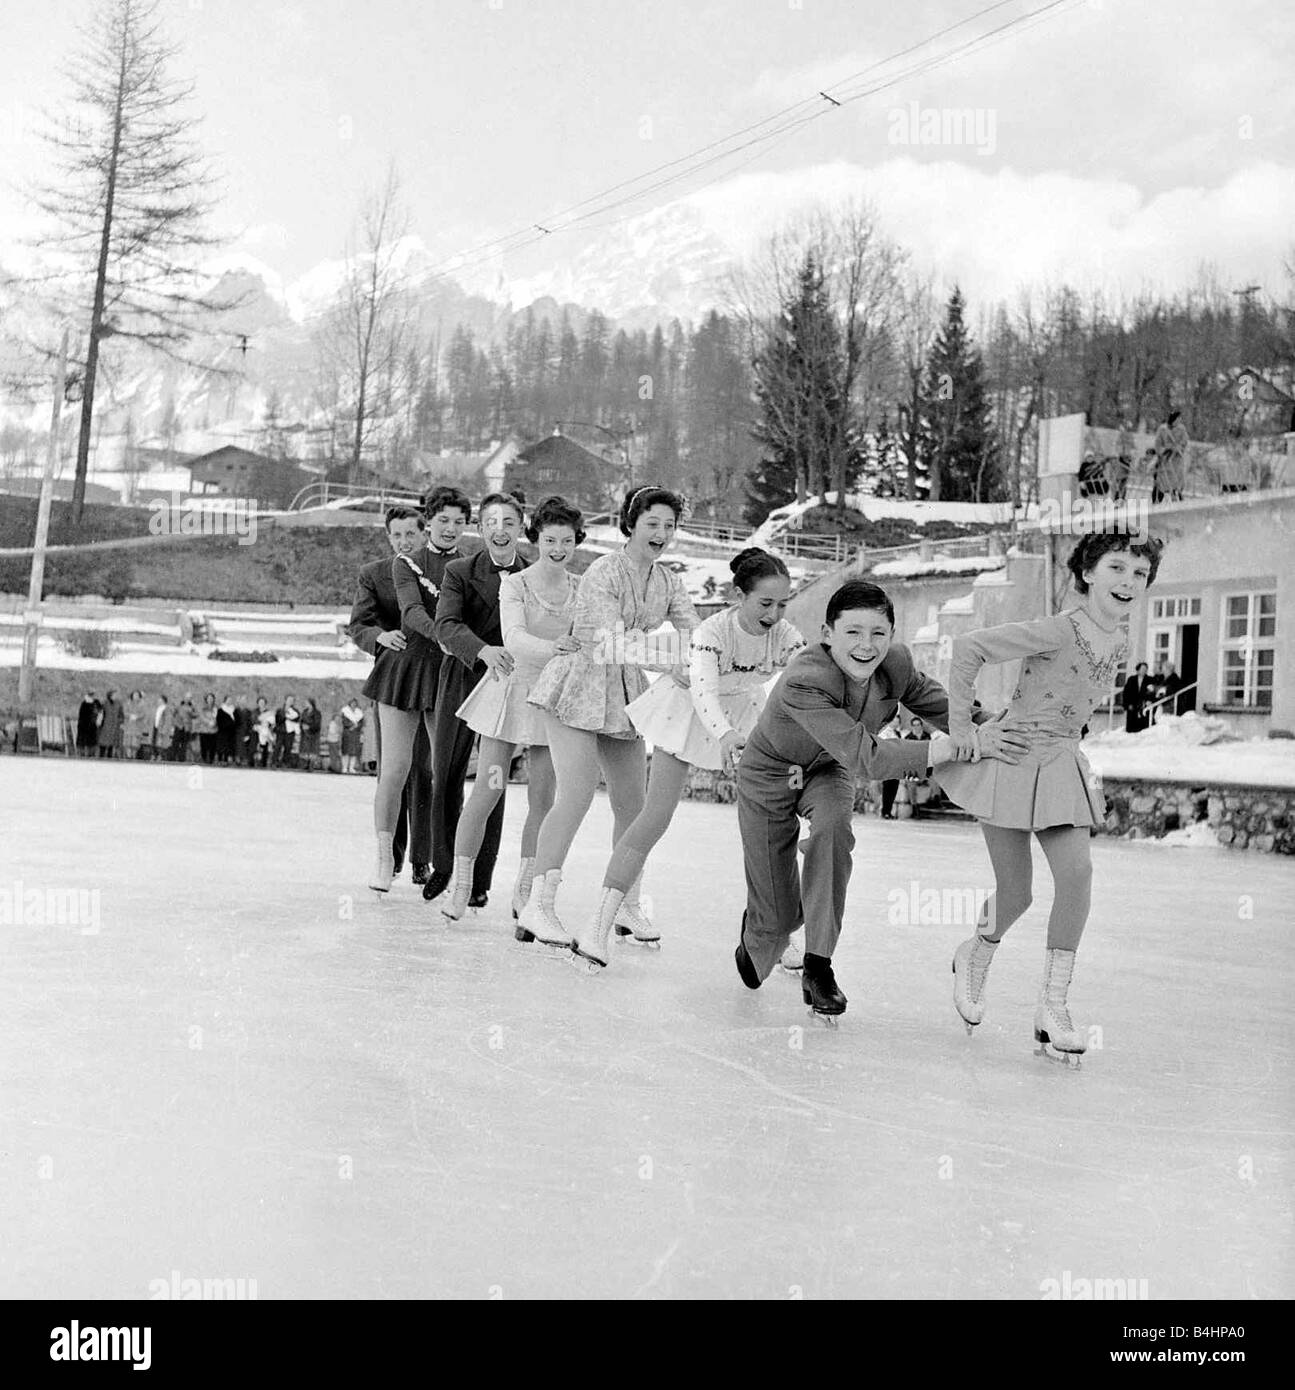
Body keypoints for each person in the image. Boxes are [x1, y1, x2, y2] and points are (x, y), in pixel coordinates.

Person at [734, 579, 1028, 1021]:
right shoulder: (804, 680)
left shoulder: (897, 665)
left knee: (835, 831)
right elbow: (867, 757)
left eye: (878, 633)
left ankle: (818, 965)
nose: (866, 646)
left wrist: (991, 726)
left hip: (828, 770)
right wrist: (948, 749)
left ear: (891, 635)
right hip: (770, 772)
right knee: (772, 933)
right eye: (852, 632)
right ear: (827, 633)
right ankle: (768, 923)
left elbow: (943, 707)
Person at [934, 532, 1165, 1063]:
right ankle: (975, 955)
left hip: (1061, 765)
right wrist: (962, 728)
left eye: (1138, 572)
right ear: (1087, 573)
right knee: (1016, 892)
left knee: (1078, 874)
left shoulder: (1121, 641)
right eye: (1116, 568)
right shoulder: (1058, 629)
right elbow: (969, 649)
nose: (1128, 581)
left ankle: (1053, 1005)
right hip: (1009, 762)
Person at [570, 546, 804, 973]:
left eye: (782, 603)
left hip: (745, 712)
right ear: (739, 596)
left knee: (771, 826)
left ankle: (777, 933)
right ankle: (598, 924)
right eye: (765, 603)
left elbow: (805, 672)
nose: (775, 612)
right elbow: (703, 693)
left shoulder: (785, 633)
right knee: (653, 817)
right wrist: (727, 735)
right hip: (691, 711)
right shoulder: (711, 633)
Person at [520, 485, 698, 948]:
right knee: (576, 793)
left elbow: (695, 633)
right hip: (579, 681)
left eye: (669, 525)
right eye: (653, 523)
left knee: (633, 805)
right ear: (632, 523)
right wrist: (669, 662)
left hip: (624, 691)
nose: (661, 533)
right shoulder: (603, 570)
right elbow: (610, 641)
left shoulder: (669, 581)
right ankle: (537, 906)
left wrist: (711, 658)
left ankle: (626, 905)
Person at [442, 496, 583, 923]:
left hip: (551, 700)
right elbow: (515, 637)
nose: (558, 548)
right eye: (550, 539)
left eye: (567, 541)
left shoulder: (580, 588)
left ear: (576, 542)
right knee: (490, 787)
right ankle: (461, 885)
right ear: (535, 538)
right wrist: (555, 647)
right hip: (510, 694)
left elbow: (590, 638)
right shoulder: (516, 584)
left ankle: (525, 892)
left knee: (544, 798)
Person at [423, 491, 529, 905]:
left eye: (508, 523)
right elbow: (445, 624)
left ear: (521, 528)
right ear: (480, 529)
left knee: (493, 779)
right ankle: (445, 865)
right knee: (446, 772)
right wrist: (481, 650)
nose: (499, 530)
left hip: (507, 685)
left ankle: (480, 880)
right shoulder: (460, 571)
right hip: (463, 677)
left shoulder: (534, 574)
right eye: (491, 523)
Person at [347, 503, 448, 888]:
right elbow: (359, 624)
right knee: (394, 770)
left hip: (437, 676)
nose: (404, 541)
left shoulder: (444, 570)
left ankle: (425, 860)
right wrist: (379, 637)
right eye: (397, 535)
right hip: (395, 676)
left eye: (411, 533)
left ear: (425, 533)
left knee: (428, 771)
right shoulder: (374, 573)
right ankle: (389, 857)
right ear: (388, 537)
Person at [1122, 661, 1153, 733]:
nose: (1144, 671)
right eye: (1142, 669)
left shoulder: (1149, 679)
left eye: (1145, 669)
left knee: (1141, 727)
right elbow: (1126, 693)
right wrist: (1127, 704)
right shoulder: (1131, 679)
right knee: (1131, 726)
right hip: (1132, 705)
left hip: (1142, 706)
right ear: (1138, 670)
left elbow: (1151, 692)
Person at [340, 697, 364, 774]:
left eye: (355, 703)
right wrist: (351, 725)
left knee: (354, 752)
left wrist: (356, 727)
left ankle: (351, 767)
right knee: (346, 751)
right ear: (350, 703)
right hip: (347, 733)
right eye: (352, 703)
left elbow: (361, 723)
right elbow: (344, 721)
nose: (353, 704)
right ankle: (344, 767)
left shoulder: (359, 713)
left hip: (355, 734)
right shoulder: (345, 711)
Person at [122, 690, 148, 760]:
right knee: (127, 742)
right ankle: (128, 755)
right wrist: (130, 716)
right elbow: (125, 712)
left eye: (137, 695)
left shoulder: (142, 704)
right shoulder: (128, 703)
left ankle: (134, 756)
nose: (135, 696)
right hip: (128, 725)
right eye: (134, 695)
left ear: (139, 696)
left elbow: (143, 713)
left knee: (135, 743)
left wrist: (137, 716)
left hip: (137, 726)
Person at [97, 689, 122, 759]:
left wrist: (119, 721)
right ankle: (101, 757)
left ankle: (109, 757)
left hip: (114, 726)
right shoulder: (105, 703)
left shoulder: (118, 704)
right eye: (114, 695)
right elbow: (99, 712)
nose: (116, 696)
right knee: (103, 742)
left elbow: (121, 714)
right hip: (105, 725)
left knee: (111, 743)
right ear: (110, 695)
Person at [171, 694, 196, 763]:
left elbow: (195, 715)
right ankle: (172, 758)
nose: (188, 699)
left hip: (187, 728)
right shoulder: (179, 705)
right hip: (179, 726)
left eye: (190, 698)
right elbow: (173, 713)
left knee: (184, 744)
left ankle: (181, 759)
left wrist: (192, 710)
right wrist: (174, 723)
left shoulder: (192, 707)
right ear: (184, 698)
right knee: (175, 743)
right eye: (187, 697)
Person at [76, 692, 102, 757]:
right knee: (84, 741)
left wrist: (98, 721)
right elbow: (82, 716)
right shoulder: (84, 704)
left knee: (91, 742)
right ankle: (83, 754)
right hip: (85, 726)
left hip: (92, 726)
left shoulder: (95, 703)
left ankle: (90, 754)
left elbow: (100, 712)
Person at [300, 697, 322, 770]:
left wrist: (309, 727)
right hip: (305, 734)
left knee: (312, 749)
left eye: (307, 703)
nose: (305, 704)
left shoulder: (317, 713)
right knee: (305, 748)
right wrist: (302, 726)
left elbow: (317, 724)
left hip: (313, 734)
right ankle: (305, 763)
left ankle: (311, 764)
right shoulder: (304, 712)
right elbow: (301, 721)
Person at [216, 694, 238, 764]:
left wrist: (233, 726)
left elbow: (237, 720)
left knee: (228, 746)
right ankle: (220, 759)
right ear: (225, 701)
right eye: (228, 700)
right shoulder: (221, 710)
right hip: (223, 731)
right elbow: (218, 720)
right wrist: (225, 726)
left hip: (231, 731)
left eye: (231, 700)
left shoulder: (234, 710)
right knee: (221, 745)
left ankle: (226, 759)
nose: (229, 701)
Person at [197, 693, 218, 765]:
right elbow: (201, 717)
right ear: (206, 699)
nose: (210, 700)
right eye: (209, 698)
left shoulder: (215, 708)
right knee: (204, 746)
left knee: (212, 746)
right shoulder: (202, 708)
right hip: (204, 730)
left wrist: (214, 722)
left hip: (213, 730)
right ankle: (204, 759)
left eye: (212, 698)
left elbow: (216, 717)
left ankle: (211, 760)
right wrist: (208, 722)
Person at [254, 697, 275, 768]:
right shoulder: (255, 712)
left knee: (264, 747)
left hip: (265, 731)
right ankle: (255, 762)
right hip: (256, 731)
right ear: (258, 703)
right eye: (260, 702)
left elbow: (272, 722)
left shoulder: (268, 712)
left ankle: (263, 762)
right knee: (256, 747)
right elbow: (253, 720)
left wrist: (268, 724)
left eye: (263, 702)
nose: (261, 704)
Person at [151, 695, 173, 761]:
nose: (158, 701)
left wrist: (164, 730)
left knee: (161, 743)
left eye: (159, 699)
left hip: (162, 729)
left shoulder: (166, 709)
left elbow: (168, 721)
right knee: (154, 742)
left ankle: (160, 756)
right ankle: (155, 755)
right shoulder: (158, 708)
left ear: (163, 700)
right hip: (156, 727)